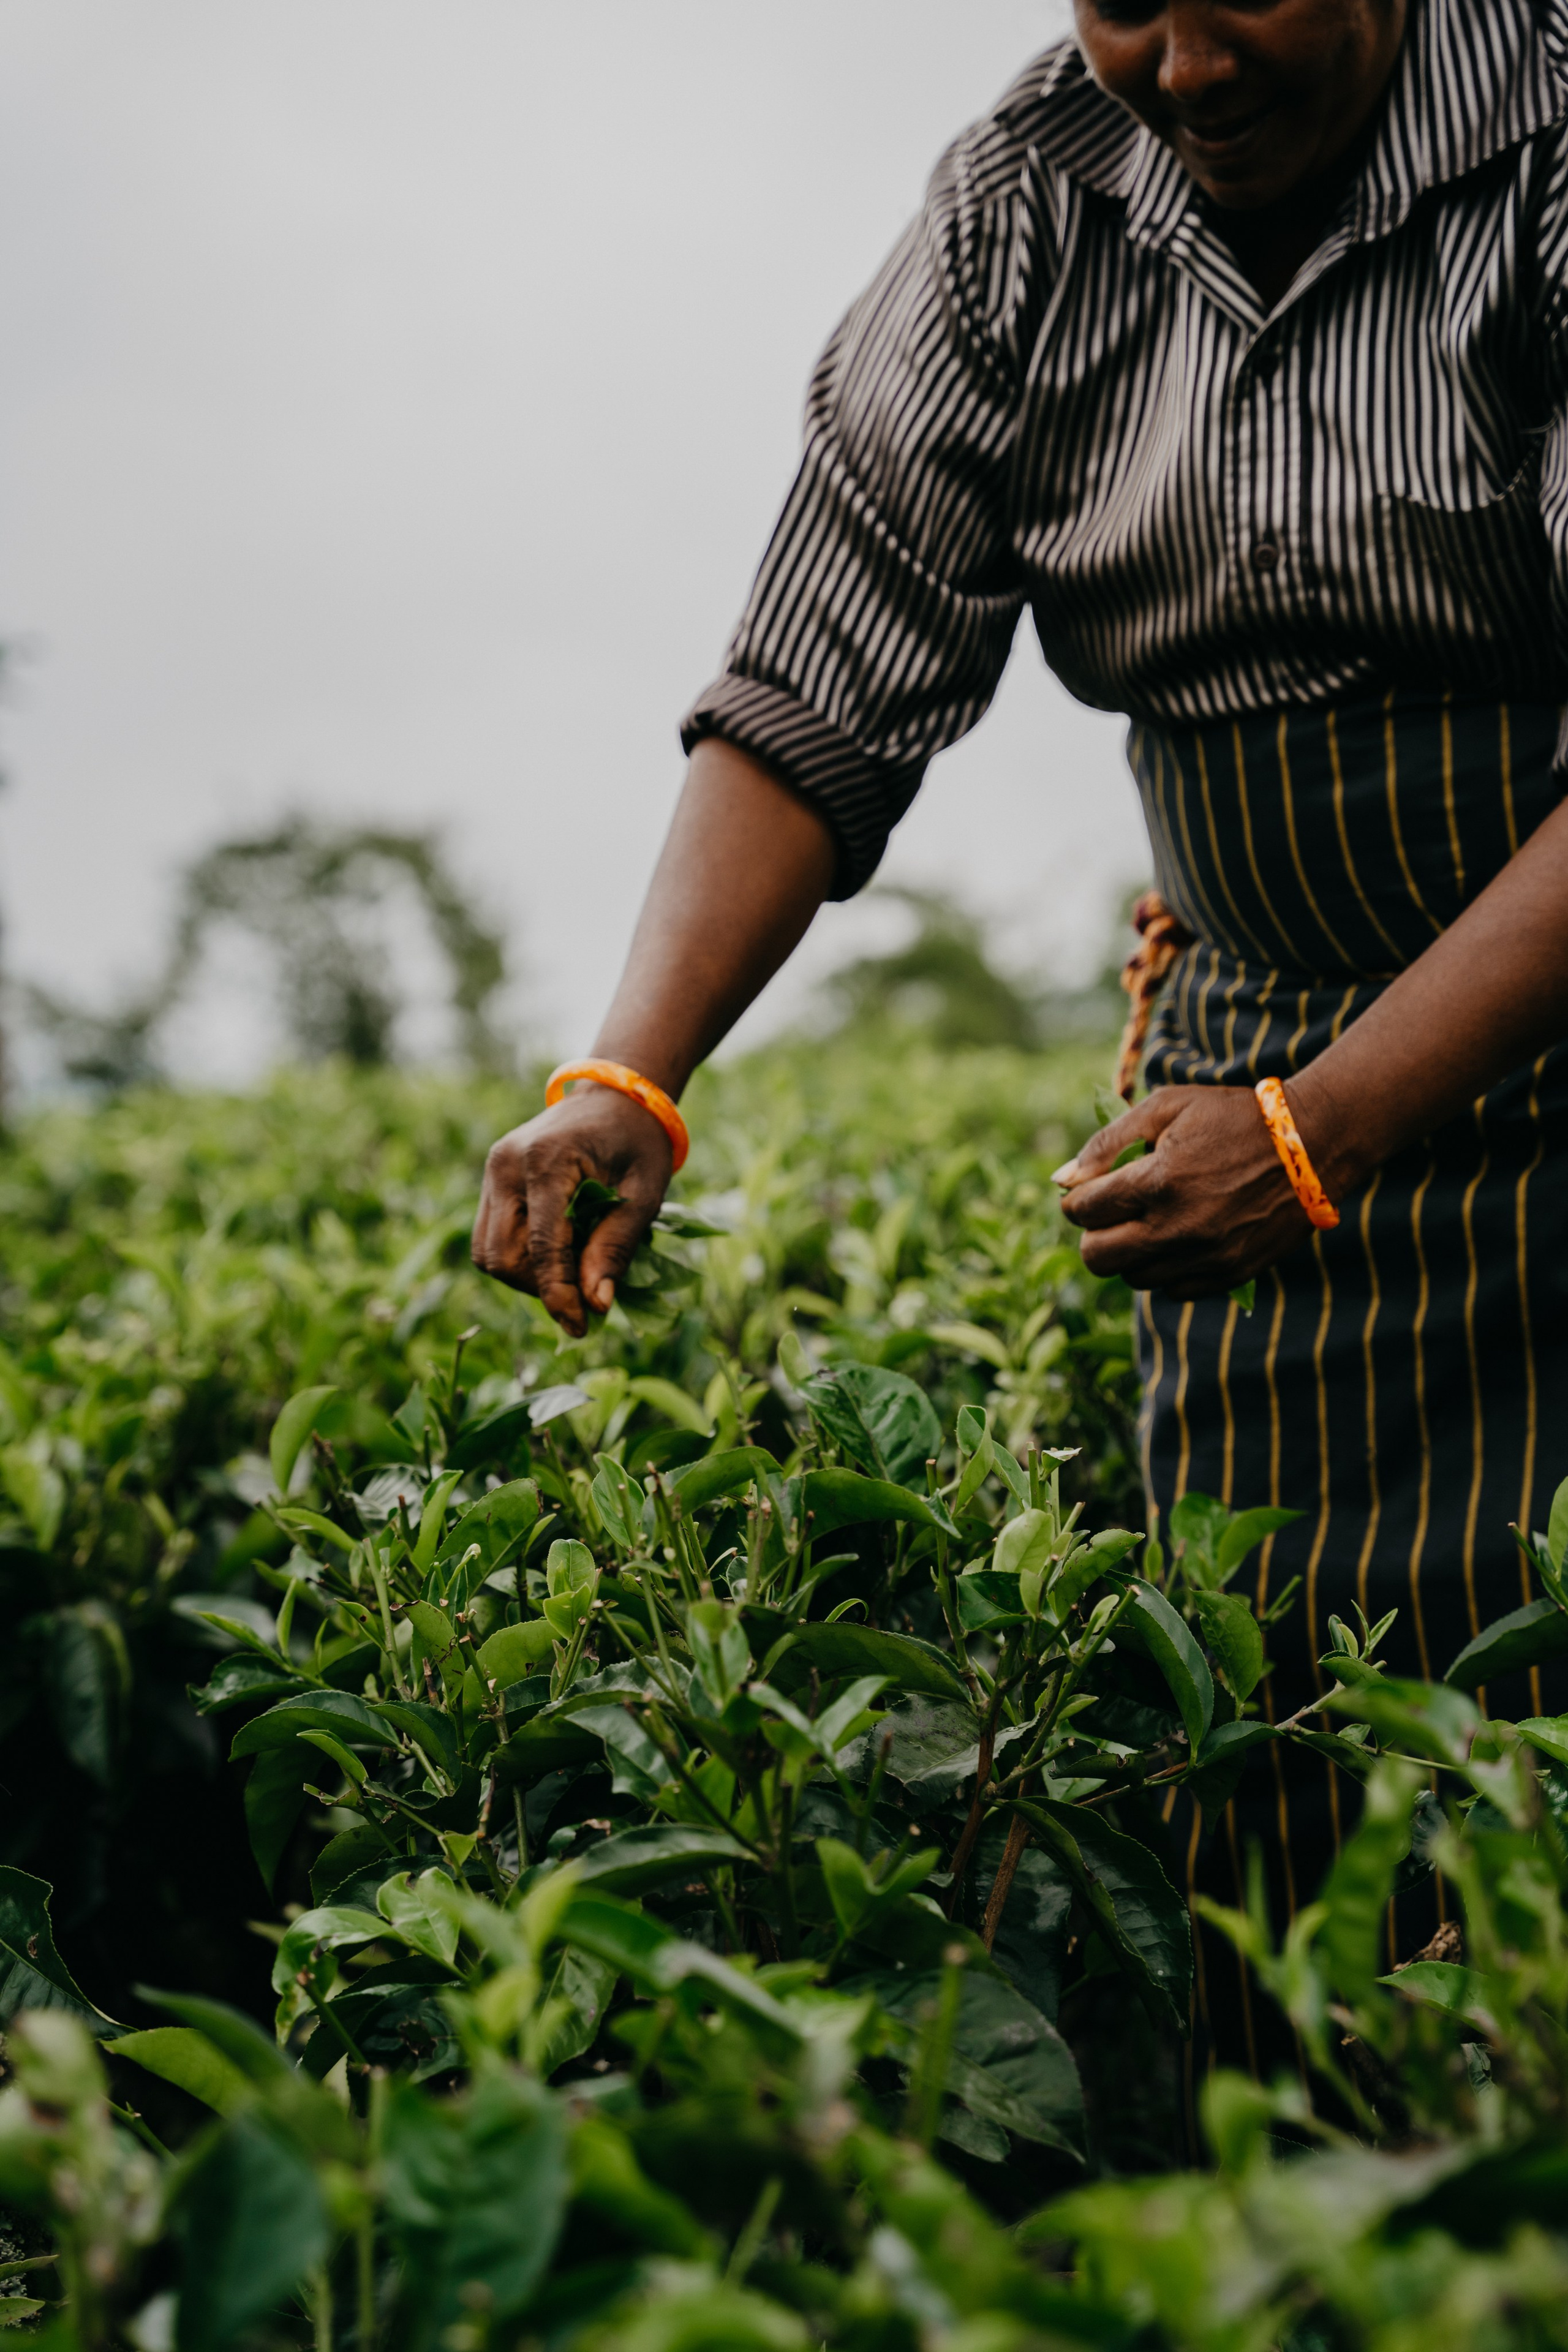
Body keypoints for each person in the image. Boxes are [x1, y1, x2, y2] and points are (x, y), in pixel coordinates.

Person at [473, 0, 1568, 2050]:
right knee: (1284, 1718)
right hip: (1254, 1044)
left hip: (1463, 1016)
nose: (1185, 64)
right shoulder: (1027, 206)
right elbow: (822, 666)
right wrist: (630, 1074)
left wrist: (1331, 1123)